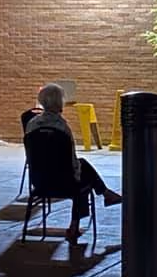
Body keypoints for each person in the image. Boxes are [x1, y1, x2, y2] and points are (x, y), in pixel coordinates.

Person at [27, 84, 122, 241]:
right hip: (64, 182)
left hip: (39, 181)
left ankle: (104, 195)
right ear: (59, 103)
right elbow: (71, 161)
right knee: (82, 176)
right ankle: (78, 221)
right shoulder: (62, 127)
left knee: (82, 170)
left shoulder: (31, 125)